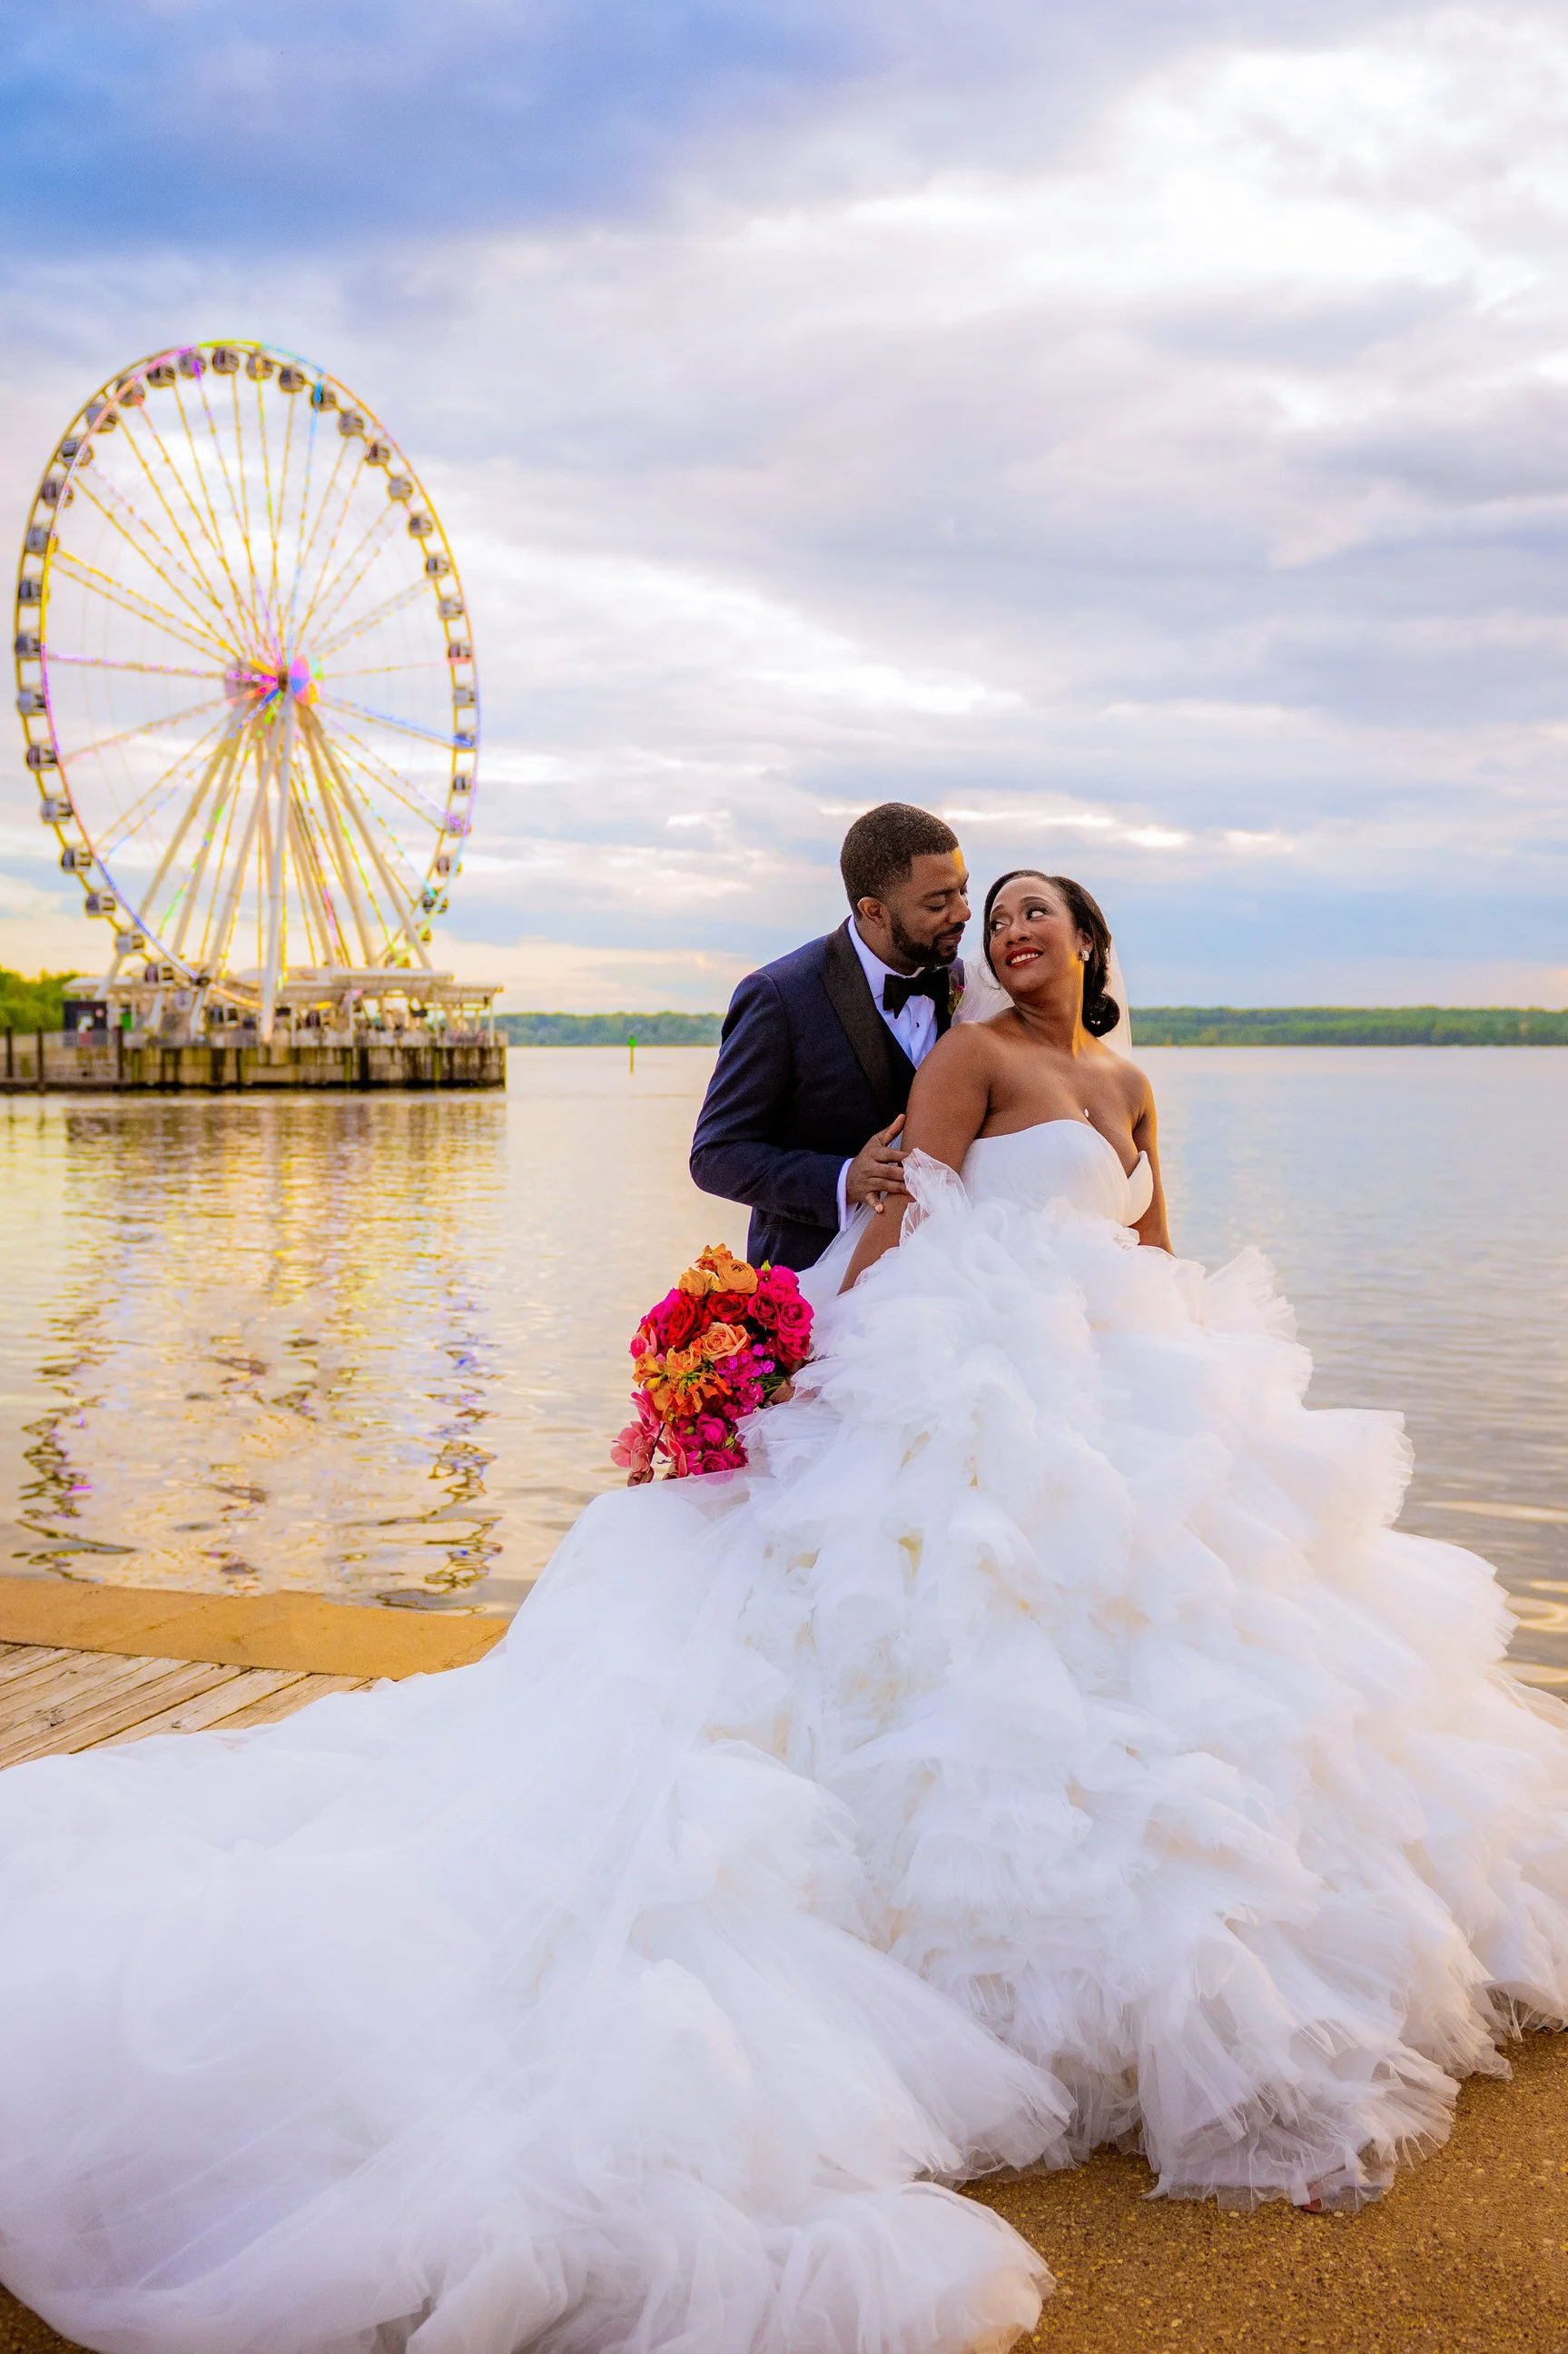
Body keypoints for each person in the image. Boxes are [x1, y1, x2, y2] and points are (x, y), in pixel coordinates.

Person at [5, 870, 1568, 2354]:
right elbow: (900, 1210)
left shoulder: (1132, 1085)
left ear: (1089, 940)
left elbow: (1152, 1248)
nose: (1010, 929)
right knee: (963, 1635)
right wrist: (797, 1353)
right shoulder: (961, 1055)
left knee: (1221, 1658)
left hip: (1130, 1386)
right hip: (982, 1382)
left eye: (1035, 911)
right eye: (993, 913)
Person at [690, 802, 971, 1271]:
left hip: (944, 1281)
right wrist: (843, 1179)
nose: (962, 912)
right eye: (937, 903)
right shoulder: (780, 996)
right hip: (813, 1283)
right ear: (873, 911)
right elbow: (716, 1155)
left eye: (963, 890)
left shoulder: (967, 984)